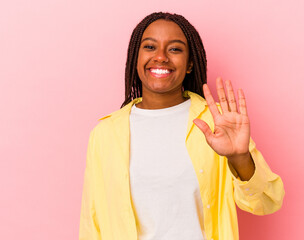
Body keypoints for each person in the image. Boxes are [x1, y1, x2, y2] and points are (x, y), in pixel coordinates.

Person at [79, 12, 285, 240]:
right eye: (149, 47)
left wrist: (240, 158)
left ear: (189, 64)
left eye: (175, 49)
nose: (161, 57)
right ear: (135, 58)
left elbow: (267, 202)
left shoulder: (217, 122)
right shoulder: (105, 134)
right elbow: (92, 223)